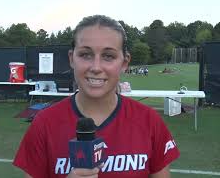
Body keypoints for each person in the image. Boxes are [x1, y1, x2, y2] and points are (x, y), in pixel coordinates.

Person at [13, 15, 180, 178]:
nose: (96, 67)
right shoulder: (44, 124)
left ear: (124, 63)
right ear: (72, 59)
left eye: (108, 56)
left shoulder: (149, 121)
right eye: (86, 54)